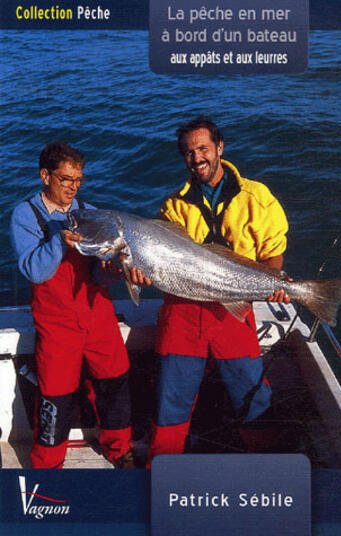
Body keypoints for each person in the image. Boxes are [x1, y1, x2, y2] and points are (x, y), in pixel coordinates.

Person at [145, 117, 290, 465]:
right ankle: (161, 468)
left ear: (220, 148)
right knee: (171, 398)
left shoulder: (257, 196)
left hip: (232, 307)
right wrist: (140, 274)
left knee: (251, 393)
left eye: (203, 149)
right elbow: (161, 265)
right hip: (182, 310)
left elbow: (273, 252)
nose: (197, 158)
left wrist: (272, 284)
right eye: (189, 152)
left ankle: (268, 464)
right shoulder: (173, 206)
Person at [10, 141, 149, 469]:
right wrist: (59, 240)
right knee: (55, 396)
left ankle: (118, 450)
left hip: (97, 315)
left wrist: (113, 270)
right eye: (65, 179)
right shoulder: (25, 215)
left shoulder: (86, 212)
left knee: (114, 381)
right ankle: (47, 466)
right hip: (56, 324)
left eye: (78, 180)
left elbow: (99, 276)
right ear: (45, 176)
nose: (73, 187)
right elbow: (34, 270)